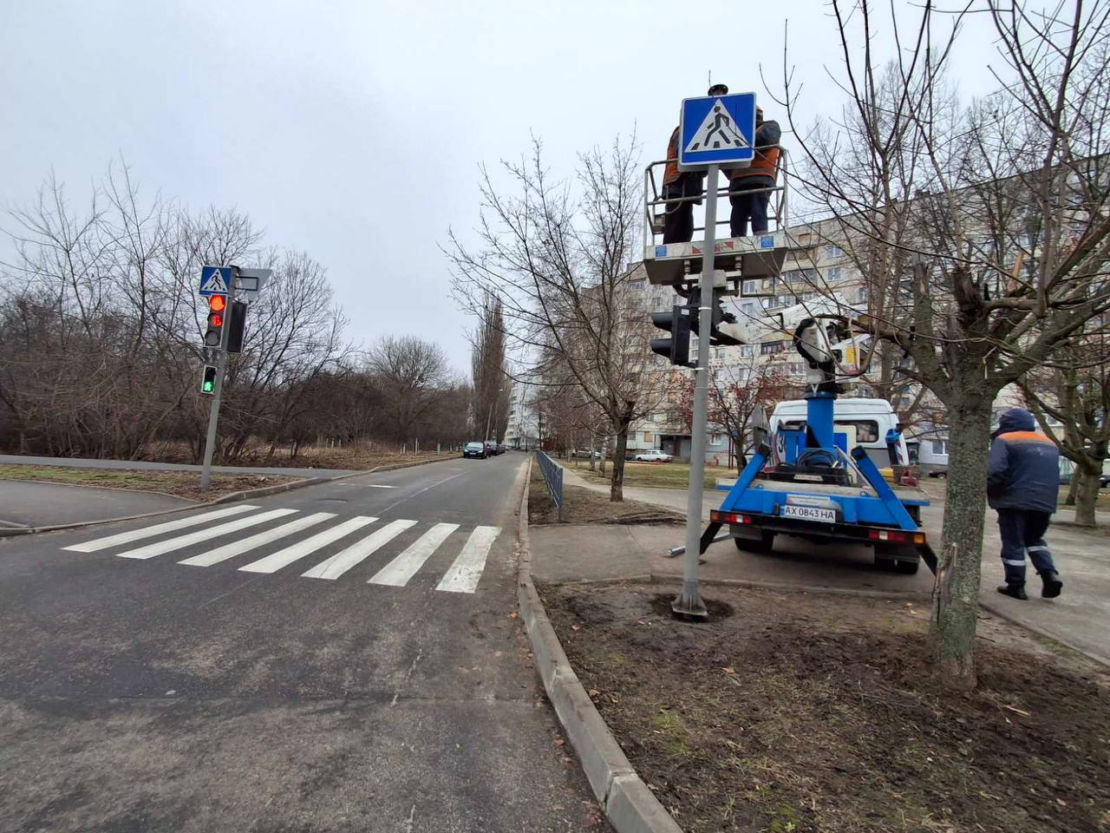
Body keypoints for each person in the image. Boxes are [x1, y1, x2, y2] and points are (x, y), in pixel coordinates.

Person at [987, 407, 1064, 600]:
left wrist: (991, 491)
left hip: (1014, 500)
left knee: (1013, 543)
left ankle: (1016, 585)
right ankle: (1049, 574)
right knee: (1035, 539)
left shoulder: (1005, 440)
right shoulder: (1050, 443)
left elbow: (995, 471)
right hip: (1044, 501)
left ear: (1006, 423)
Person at [660, 83, 729, 244]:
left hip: (688, 186)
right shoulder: (682, 131)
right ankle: (670, 247)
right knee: (675, 220)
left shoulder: (703, 135)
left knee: (685, 221)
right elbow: (682, 154)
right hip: (676, 182)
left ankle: (681, 244)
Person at [727, 105, 781, 238]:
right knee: (737, 217)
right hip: (739, 182)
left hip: (759, 178)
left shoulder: (770, 126)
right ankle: (737, 241)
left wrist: (738, 142)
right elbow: (726, 163)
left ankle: (761, 240)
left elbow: (763, 140)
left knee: (758, 211)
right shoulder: (737, 134)